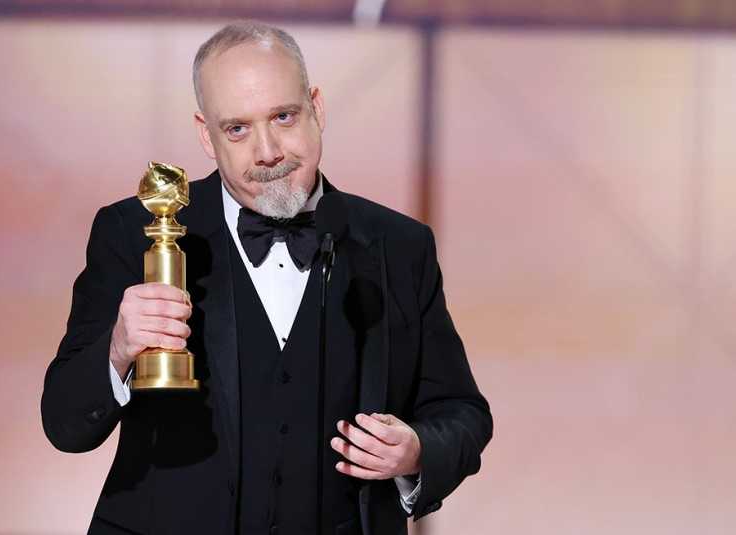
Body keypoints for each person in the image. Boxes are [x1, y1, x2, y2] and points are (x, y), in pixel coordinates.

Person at [41, 21, 492, 535]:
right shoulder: (131, 232)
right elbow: (64, 423)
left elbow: (462, 413)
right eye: (237, 128)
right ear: (206, 135)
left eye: (283, 116)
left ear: (317, 108)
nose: (267, 151)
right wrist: (117, 350)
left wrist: (415, 452)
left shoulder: (400, 246)